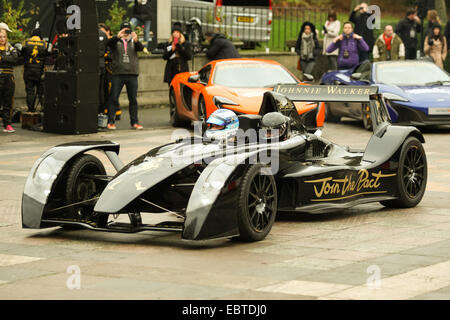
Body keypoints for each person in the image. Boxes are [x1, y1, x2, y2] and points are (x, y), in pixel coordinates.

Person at [106, 21, 144, 130]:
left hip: (132, 74)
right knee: (113, 98)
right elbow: (109, 43)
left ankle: (135, 122)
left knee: (133, 99)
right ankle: (111, 122)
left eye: (128, 29)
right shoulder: (116, 41)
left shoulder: (133, 41)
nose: (126, 32)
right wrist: (118, 36)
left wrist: (136, 39)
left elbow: (141, 48)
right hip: (118, 73)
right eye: (124, 29)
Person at [20, 28, 47, 112]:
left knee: (30, 91)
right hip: (40, 72)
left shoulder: (26, 43)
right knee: (41, 92)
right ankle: (43, 109)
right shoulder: (44, 44)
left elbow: (21, 54)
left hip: (28, 71)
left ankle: (31, 109)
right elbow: (48, 55)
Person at [0, 24, 19, 133]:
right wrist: (7, 59)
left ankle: (7, 124)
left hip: (8, 78)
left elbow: (15, 59)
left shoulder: (11, 48)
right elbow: (10, 59)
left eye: (3, 37)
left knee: (8, 102)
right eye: (0, 37)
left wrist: (2, 58)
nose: (2, 39)